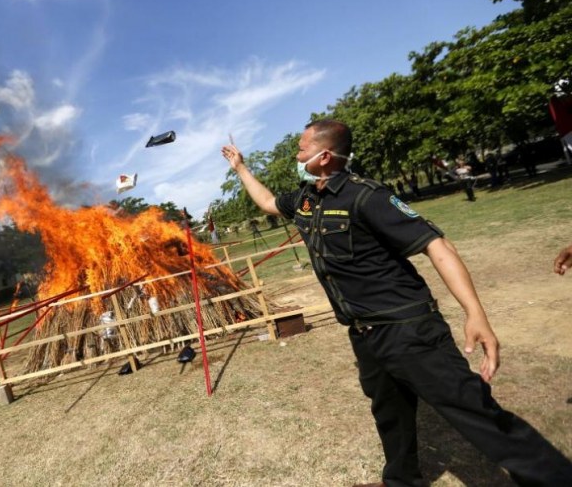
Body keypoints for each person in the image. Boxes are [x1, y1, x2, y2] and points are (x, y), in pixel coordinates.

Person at [221, 119, 572, 486]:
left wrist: (475, 313)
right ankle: (402, 481)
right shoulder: (306, 198)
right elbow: (266, 202)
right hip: (365, 332)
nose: (297, 155)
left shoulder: (366, 195)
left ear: (324, 156)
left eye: (301, 149)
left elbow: (437, 246)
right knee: (390, 412)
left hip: (408, 329)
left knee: (474, 410)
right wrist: (241, 167)